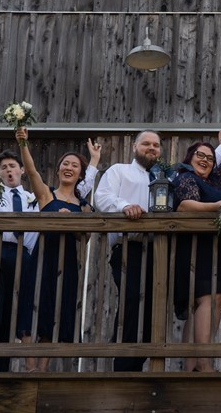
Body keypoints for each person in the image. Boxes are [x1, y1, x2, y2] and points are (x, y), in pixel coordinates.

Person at [14, 127, 99, 373]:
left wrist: (73, 224)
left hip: (67, 262)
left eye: (74, 165)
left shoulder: (83, 205)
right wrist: (22, 143)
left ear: (80, 174)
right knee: (32, 306)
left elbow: (86, 238)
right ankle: (30, 366)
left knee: (56, 309)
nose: (69, 167)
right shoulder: (46, 195)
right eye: (65, 164)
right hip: (42, 256)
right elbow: (31, 170)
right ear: (59, 169)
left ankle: (43, 368)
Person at [173, 136, 221, 373]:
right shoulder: (186, 177)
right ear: (189, 158)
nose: (205, 160)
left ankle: (191, 366)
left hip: (218, 250)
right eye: (200, 156)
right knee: (206, 299)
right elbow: (185, 206)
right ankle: (203, 363)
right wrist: (217, 207)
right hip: (197, 250)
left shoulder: (216, 182)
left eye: (210, 158)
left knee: (216, 300)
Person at [94, 129, 163, 372]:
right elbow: (102, 198)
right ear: (135, 147)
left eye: (156, 145)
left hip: (159, 252)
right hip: (128, 249)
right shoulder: (119, 171)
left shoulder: (165, 178)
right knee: (132, 301)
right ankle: (124, 364)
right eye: (146, 144)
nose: (151, 148)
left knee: (155, 307)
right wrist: (125, 206)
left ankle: (141, 361)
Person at [0, 145, 40, 372]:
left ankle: (15, 363)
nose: (9, 171)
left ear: (22, 170)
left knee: (20, 307)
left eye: (12, 166)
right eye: (4, 168)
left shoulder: (33, 198)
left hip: (22, 253)